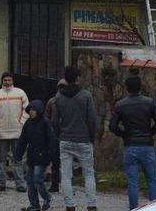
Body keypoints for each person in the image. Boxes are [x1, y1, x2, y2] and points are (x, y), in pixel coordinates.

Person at [109, 75, 156, 210]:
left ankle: (134, 208)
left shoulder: (121, 105)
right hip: (147, 146)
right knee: (152, 181)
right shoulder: (149, 102)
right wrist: (150, 133)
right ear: (140, 87)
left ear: (127, 88)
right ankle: (155, 208)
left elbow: (112, 126)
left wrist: (124, 135)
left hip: (130, 146)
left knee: (133, 182)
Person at [52, 65, 98, 211]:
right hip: (84, 139)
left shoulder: (58, 97)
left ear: (65, 78)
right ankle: (91, 205)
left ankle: (70, 205)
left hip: (65, 140)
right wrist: (91, 137)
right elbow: (92, 119)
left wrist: (60, 134)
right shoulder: (86, 95)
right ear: (77, 77)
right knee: (89, 174)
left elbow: (54, 121)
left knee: (66, 175)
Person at [0, 71, 28, 192]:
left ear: (12, 81)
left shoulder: (20, 93)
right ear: (2, 81)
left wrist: (21, 123)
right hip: (1, 132)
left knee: (18, 159)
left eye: (9, 80)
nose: (7, 82)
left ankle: (20, 184)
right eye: (5, 80)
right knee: (1, 159)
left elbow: (26, 109)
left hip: (17, 131)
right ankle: (1, 184)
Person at [16, 100, 56, 211]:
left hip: (42, 156)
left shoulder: (45, 123)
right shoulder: (28, 123)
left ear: (39, 110)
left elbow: (51, 140)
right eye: (30, 110)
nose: (31, 112)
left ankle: (48, 198)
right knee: (30, 181)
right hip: (32, 157)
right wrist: (18, 154)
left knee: (37, 179)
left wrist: (50, 156)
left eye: (34, 110)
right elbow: (22, 140)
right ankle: (34, 205)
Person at [44, 79, 67, 192]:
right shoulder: (51, 101)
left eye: (63, 87)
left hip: (65, 134)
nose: (61, 89)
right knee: (55, 162)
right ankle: (55, 185)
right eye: (60, 87)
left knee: (64, 163)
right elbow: (47, 117)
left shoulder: (69, 101)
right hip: (56, 135)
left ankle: (63, 185)